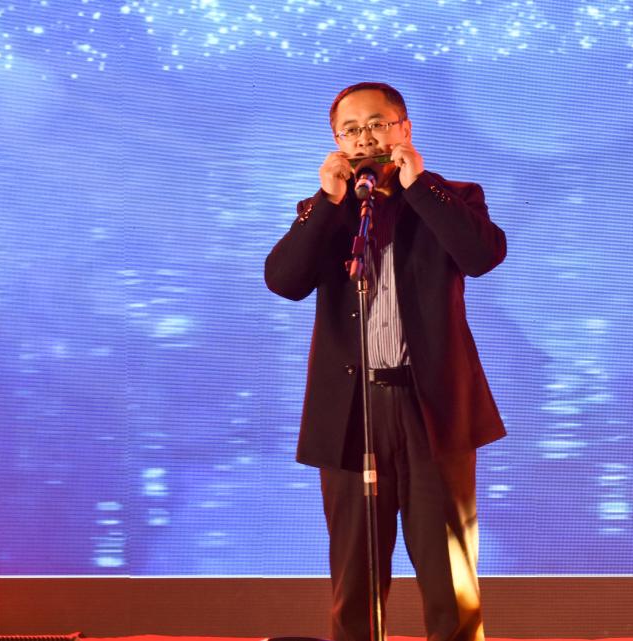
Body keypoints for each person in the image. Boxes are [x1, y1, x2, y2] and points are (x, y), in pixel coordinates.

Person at [264, 82, 506, 641]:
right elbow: (283, 281)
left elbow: (481, 256)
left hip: (431, 408)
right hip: (352, 411)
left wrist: (419, 185)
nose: (364, 138)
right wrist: (327, 202)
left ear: (404, 128)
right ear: (336, 142)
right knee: (356, 577)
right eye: (350, 130)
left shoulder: (452, 196)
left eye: (376, 124)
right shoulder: (327, 211)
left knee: (449, 574)